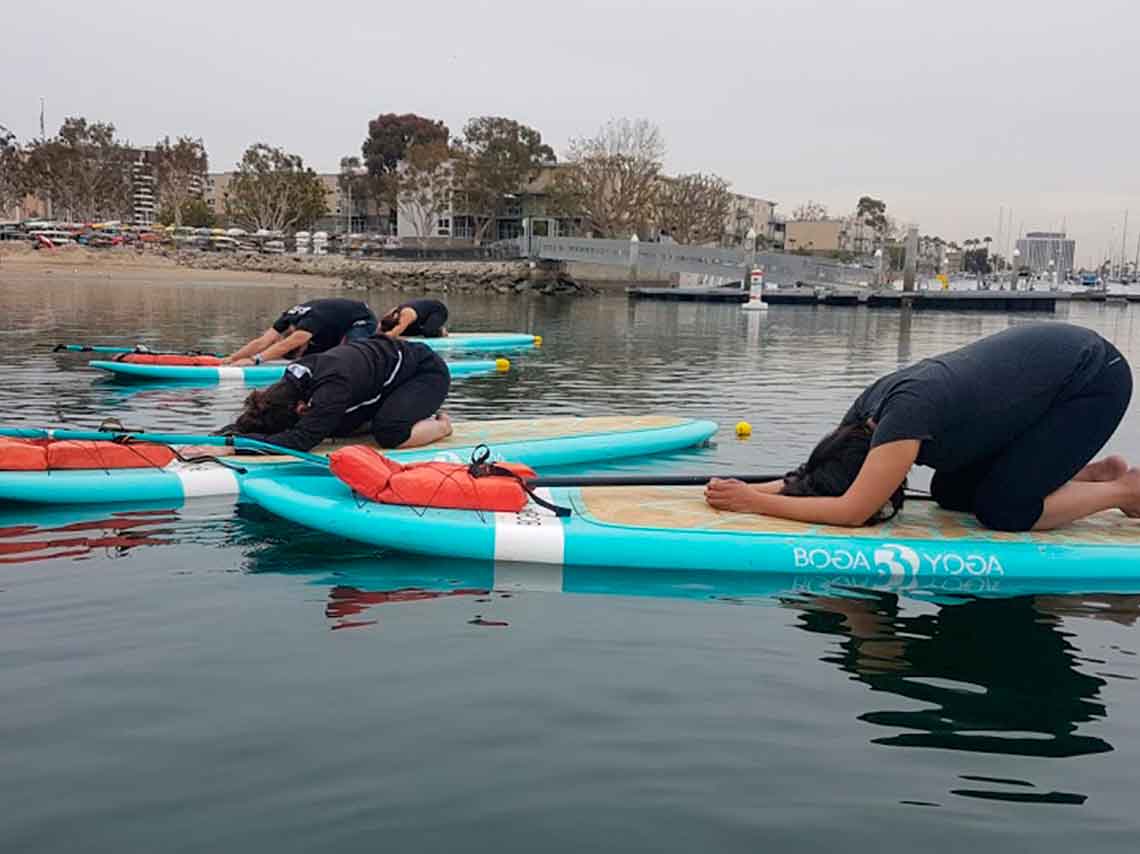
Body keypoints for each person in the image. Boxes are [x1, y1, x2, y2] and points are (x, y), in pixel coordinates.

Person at [705, 323, 1137, 532]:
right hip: (1046, 379)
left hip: (1093, 379)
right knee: (949, 493)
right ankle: (1092, 473)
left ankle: (1125, 491)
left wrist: (754, 504)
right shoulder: (860, 419)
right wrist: (747, 488)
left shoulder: (903, 419)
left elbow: (852, 510)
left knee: (1003, 511)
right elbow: (820, 479)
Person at [200, 336, 452, 454]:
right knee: (331, 427)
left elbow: (300, 441)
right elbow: (260, 416)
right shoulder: (290, 381)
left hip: (425, 373)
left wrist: (235, 448)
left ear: (300, 408)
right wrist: (221, 436)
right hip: (382, 376)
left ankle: (442, 426)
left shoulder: (331, 389)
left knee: (389, 434)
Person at [223, 298, 377, 366]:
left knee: (350, 354)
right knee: (320, 355)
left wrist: (254, 360)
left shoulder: (307, 327)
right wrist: (232, 357)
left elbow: (286, 345)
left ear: (304, 342)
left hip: (362, 318)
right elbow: (262, 341)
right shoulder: (288, 317)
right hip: (335, 321)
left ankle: (371, 357)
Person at [379, 298, 449, 338]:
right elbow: (380, 325)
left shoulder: (406, 315)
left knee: (427, 332)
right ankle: (427, 326)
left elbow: (393, 334)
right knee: (404, 332)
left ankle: (441, 331)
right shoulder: (391, 314)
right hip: (421, 316)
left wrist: (379, 337)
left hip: (438, 310)